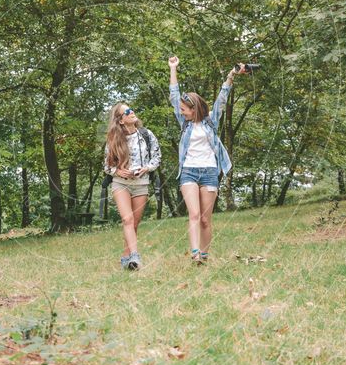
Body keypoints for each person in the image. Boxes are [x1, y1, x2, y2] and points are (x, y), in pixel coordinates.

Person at [168, 55, 246, 264]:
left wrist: (231, 75)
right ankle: (195, 254)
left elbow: (223, 97)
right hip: (189, 172)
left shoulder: (211, 121)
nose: (181, 112)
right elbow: (174, 94)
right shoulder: (183, 123)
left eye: (185, 110)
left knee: (205, 219)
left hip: (210, 172)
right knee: (193, 214)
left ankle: (204, 254)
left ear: (194, 109)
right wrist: (173, 68)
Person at [103, 102, 161, 270]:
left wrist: (147, 168)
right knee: (127, 219)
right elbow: (106, 166)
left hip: (141, 184)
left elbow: (156, 157)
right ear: (121, 120)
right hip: (121, 184)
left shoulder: (147, 135)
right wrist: (117, 172)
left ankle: (125, 256)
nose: (132, 112)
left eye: (131, 109)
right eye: (127, 112)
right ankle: (135, 257)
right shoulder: (114, 139)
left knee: (134, 223)